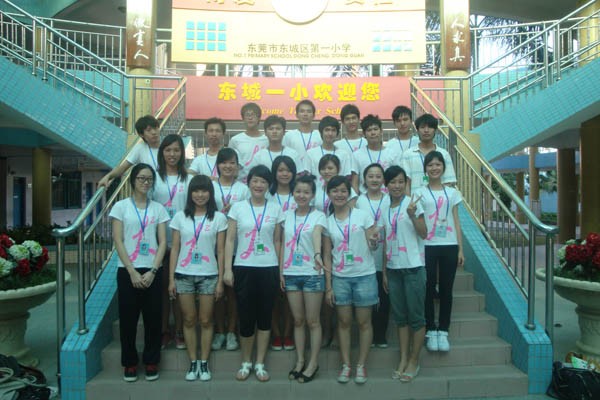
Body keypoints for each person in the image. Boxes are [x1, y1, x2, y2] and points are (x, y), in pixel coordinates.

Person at [223, 165, 284, 382]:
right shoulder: (238, 208)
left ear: (269, 185)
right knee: (246, 316)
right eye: (255, 181)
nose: (259, 185)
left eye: (263, 182)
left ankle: (259, 363)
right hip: (243, 267)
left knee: (265, 316)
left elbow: (277, 241)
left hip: (268, 268)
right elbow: (230, 240)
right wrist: (227, 269)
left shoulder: (275, 208)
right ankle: (246, 362)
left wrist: (280, 271)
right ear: (248, 183)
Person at [109, 163, 169, 382]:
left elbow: (163, 242)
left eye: (149, 179)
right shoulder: (121, 207)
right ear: (133, 180)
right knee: (128, 320)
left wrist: (153, 270)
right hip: (128, 270)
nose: (145, 182)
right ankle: (130, 363)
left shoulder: (158, 209)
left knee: (153, 318)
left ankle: (152, 361)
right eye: (141, 178)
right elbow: (118, 239)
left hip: (153, 269)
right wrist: (131, 271)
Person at [168, 175, 227, 381]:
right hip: (183, 274)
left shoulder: (218, 218)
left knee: (206, 320)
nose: (200, 195)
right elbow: (175, 249)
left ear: (210, 193)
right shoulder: (179, 217)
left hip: (209, 275)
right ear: (190, 193)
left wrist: (220, 280)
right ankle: (193, 362)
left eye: (204, 191)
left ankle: (204, 362)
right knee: (189, 319)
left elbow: (221, 251)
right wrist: (171, 279)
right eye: (196, 190)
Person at [322, 176, 379, 384]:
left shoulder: (363, 216)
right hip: (340, 279)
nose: (339, 194)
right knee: (344, 323)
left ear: (349, 193)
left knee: (364, 323)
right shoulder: (327, 222)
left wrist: (374, 242)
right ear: (329, 194)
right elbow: (327, 255)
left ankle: (361, 365)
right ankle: (346, 365)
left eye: (343, 191)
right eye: (335, 191)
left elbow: (374, 245)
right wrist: (329, 286)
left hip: (364, 275)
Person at [382, 165, 428, 382]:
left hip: (413, 268)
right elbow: (386, 242)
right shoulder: (385, 209)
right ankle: (402, 359)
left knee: (416, 318)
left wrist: (412, 215)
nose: (397, 185)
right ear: (387, 185)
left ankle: (414, 360)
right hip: (393, 270)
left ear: (406, 183)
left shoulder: (413, 204)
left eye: (401, 181)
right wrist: (384, 272)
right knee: (400, 319)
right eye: (392, 182)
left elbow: (424, 233)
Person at [416, 151, 464, 353]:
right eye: (430, 165)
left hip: (449, 244)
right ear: (425, 169)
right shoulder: (419, 193)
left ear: (443, 168)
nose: (434, 168)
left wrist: (460, 249)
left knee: (446, 288)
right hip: (427, 245)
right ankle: (430, 329)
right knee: (427, 288)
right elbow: (417, 222)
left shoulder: (452, 193)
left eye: (438, 164)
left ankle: (443, 330)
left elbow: (456, 221)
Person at [281, 174, 326, 383]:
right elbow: (282, 244)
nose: (302, 195)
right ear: (292, 193)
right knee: (298, 320)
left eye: (306, 192)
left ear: (313, 195)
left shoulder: (319, 216)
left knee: (313, 321)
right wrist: (281, 272)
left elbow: (317, 235)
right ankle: (300, 360)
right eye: (298, 191)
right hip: (291, 273)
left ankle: (313, 363)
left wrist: (317, 254)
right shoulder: (286, 216)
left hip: (312, 273)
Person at [152, 134, 192, 350]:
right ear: (162, 153)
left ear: (182, 153)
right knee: (161, 291)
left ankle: (179, 331)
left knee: (179, 290)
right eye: (168, 150)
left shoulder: (189, 179)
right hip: (158, 242)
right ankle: (163, 331)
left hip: (183, 243)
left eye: (176, 150)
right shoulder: (154, 178)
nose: (172, 154)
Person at [211, 147, 248, 351]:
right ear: (218, 165)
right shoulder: (209, 186)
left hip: (236, 248)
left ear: (237, 166)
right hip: (213, 247)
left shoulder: (243, 189)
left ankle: (232, 331)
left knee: (233, 292)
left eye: (232, 162)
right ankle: (219, 331)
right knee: (217, 293)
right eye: (224, 162)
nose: (228, 166)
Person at [355, 163, 390, 348]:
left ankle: (380, 335)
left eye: (378, 176)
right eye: (370, 176)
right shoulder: (358, 201)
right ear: (364, 179)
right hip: (365, 256)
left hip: (386, 253)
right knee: (368, 299)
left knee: (384, 296)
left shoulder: (389, 199)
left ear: (383, 179)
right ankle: (367, 334)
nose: (374, 180)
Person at [267, 155, 297, 350]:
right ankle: (276, 334)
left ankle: (288, 333)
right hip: (270, 249)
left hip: (296, 252)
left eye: (288, 170)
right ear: (274, 173)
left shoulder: (299, 193)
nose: (284, 174)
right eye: (280, 170)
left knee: (290, 297)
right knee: (273, 296)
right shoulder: (267, 195)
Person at [400, 113, 456, 195]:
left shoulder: (444, 154)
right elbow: (406, 183)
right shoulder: (407, 155)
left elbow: (448, 182)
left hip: (438, 202)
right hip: (415, 201)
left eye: (430, 127)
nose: (426, 130)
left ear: (435, 130)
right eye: (422, 127)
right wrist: (409, 201)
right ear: (417, 130)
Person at [98, 115, 161, 187]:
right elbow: (122, 168)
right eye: (149, 130)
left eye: (155, 128)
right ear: (141, 134)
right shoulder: (140, 149)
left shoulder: (167, 146)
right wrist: (108, 176)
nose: (154, 132)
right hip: (150, 190)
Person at [351, 114, 398, 194]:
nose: (373, 133)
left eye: (375, 129)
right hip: (365, 198)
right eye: (369, 130)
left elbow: (396, 178)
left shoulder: (392, 153)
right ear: (364, 133)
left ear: (381, 131)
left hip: (386, 198)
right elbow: (355, 182)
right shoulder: (357, 155)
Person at [228, 102, 268, 183]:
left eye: (253, 115)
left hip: (262, 184)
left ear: (259, 118)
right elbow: (230, 163)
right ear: (243, 119)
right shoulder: (235, 140)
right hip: (241, 183)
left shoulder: (267, 140)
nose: (250, 118)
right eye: (247, 115)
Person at [306, 116, 352, 183]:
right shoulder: (310, 154)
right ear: (321, 132)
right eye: (327, 130)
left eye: (333, 130)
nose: (330, 133)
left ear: (337, 133)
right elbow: (307, 178)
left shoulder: (344, 154)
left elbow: (346, 178)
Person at [282, 100, 322, 164]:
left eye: (309, 111)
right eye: (302, 111)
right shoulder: (289, 135)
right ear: (296, 115)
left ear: (314, 115)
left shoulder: (320, 135)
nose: (305, 114)